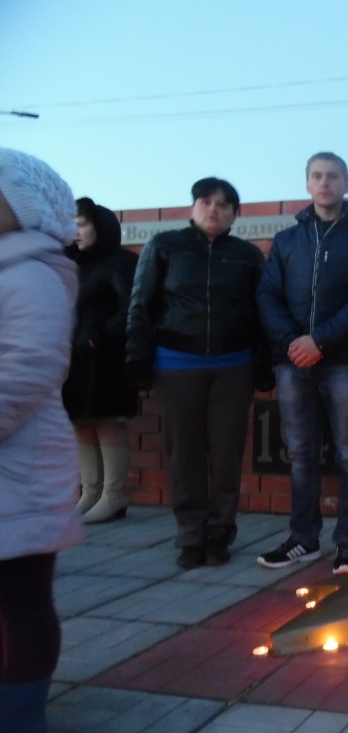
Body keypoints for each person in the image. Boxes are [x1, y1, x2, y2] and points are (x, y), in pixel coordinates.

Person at [125, 177, 270, 570]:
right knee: (183, 454)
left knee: (226, 454)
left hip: (233, 366)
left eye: (224, 205)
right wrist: (137, 358)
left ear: (235, 215)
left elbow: (262, 312)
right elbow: (141, 305)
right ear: (192, 207)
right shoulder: (164, 246)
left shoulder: (247, 255)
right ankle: (190, 535)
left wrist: (263, 363)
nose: (214, 209)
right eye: (206, 201)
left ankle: (220, 533)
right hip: (177, 364)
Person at [256, 152, 348, 575]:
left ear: (347, 184)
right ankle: (304, 539)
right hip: (292, 361)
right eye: (317, 176)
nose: (325, 182)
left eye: (333, 176)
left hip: (344, 361)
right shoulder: (286, 241)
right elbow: (267, 295)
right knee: (300, 455)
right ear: (307, 183)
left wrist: (320, 341)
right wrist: (294, 342)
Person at [0, 148, 84, 733]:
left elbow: (31, 366)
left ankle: (19, 722)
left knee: (21, 598)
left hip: (19, 462)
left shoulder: (28, 272)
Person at [62, 197, 139, 524]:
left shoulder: (121, 262)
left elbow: (133, 306)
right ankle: (90, 492)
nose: (75, 231)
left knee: (108, 420)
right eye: (72, 224)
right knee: (80, 421)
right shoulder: (71, 263)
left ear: (101, 227)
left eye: (82, 224)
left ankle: (114, 494)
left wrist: (102, 333)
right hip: (76, 357)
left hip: (107, 357)